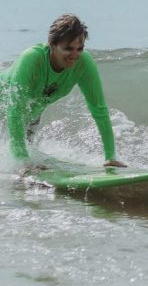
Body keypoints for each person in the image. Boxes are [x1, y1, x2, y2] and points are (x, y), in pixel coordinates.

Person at [0, 14, 127, 171]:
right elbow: (15, 110)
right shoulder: (32, 58)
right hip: (7, 106)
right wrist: (22, 161)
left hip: (31, 115)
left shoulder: (84, 64)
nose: (74, 55)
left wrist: (110, 157)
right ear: (52, 44)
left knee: (27, 152)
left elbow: (99, 109)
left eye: (79, 49)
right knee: (22, 160)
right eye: (68, 48)